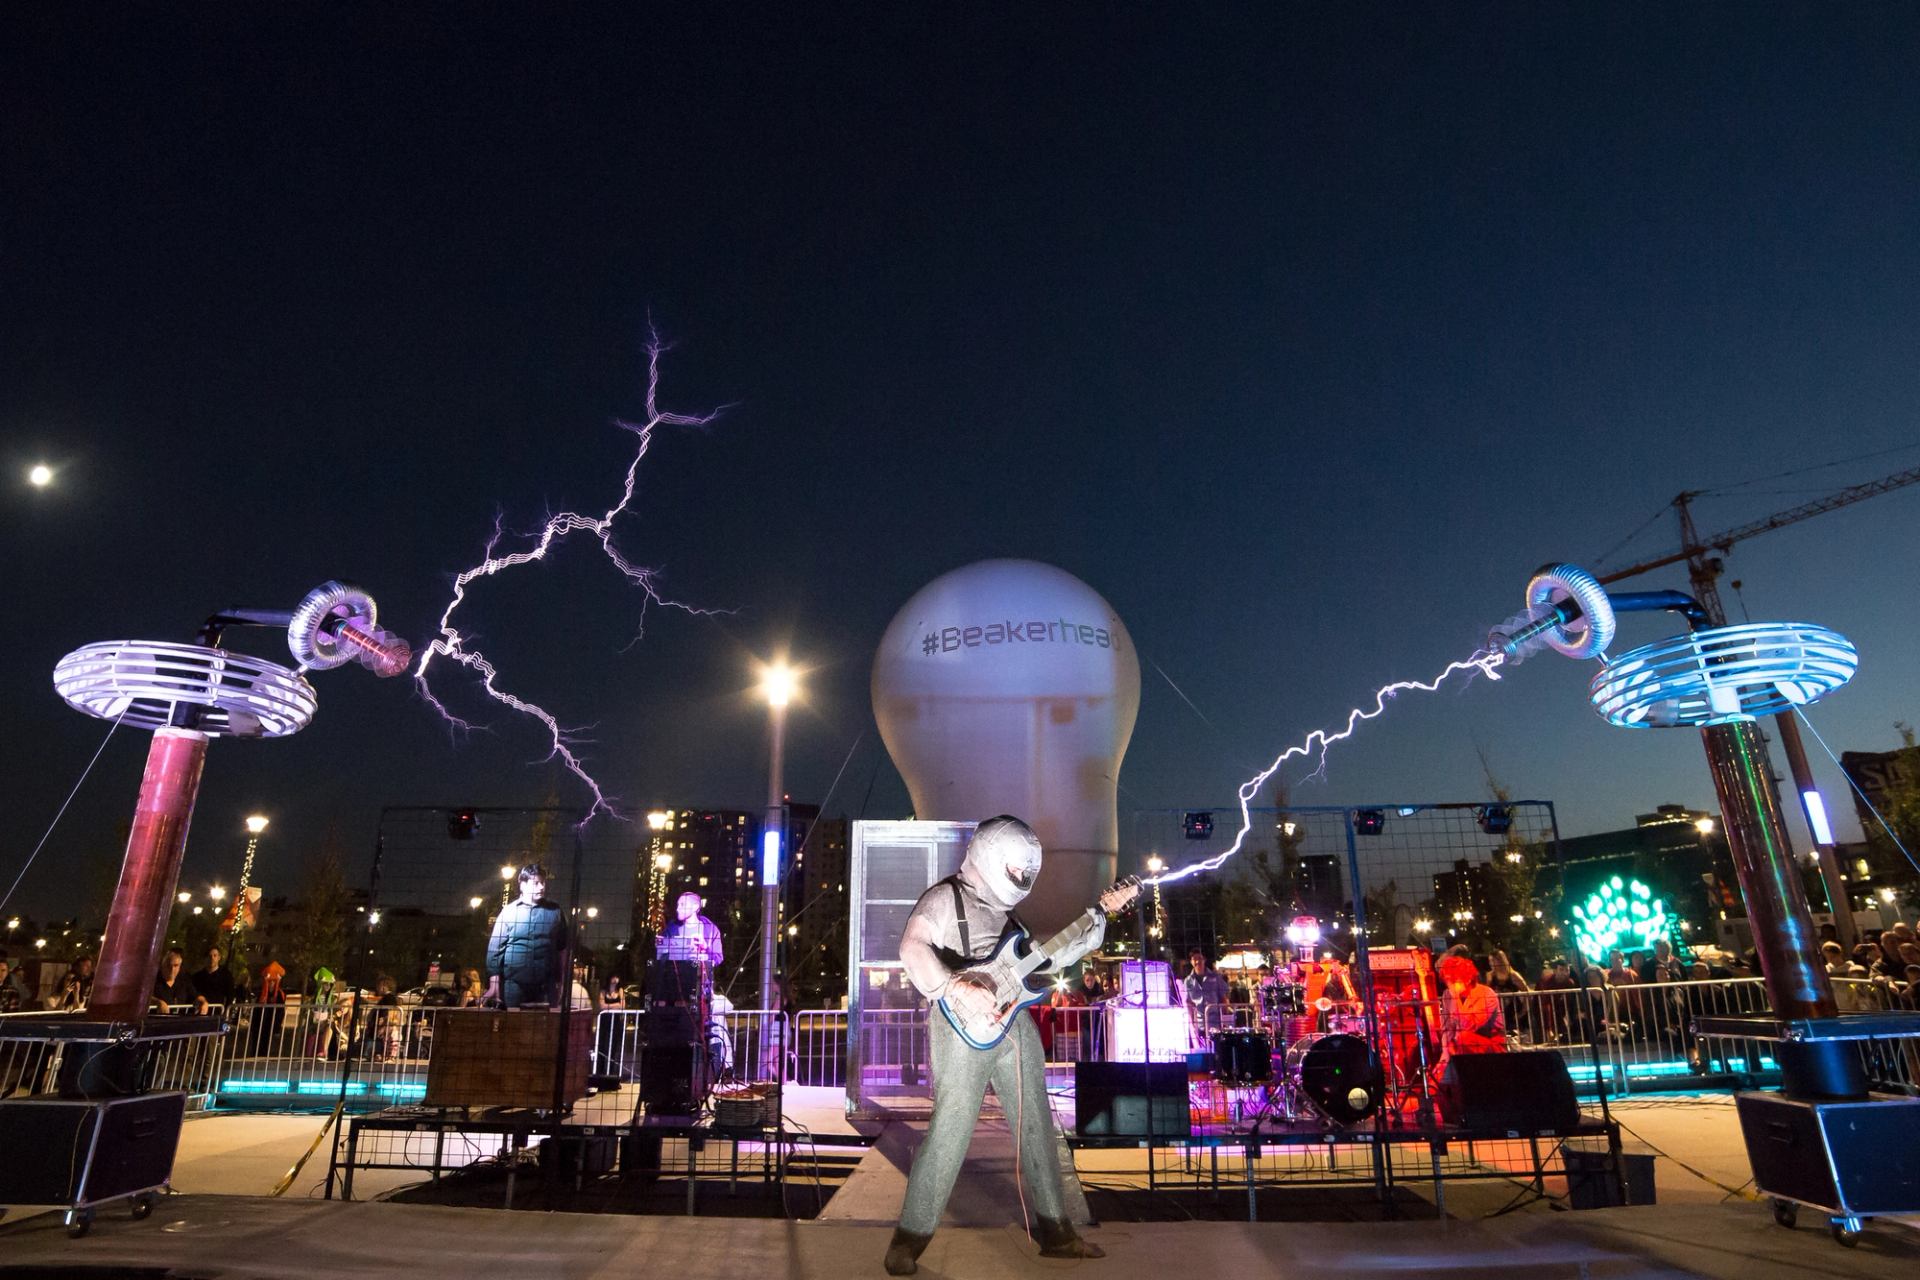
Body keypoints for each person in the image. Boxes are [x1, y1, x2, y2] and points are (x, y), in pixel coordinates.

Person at [885, 815, 1106, 1275]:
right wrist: (955, 987)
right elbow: (912, 947)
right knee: (950, 1131)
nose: (1021, 880)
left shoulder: (1007, 915)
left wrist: (1080, 944)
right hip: (961, 1027)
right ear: (989, 855)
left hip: (1013, 1023)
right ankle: (909, 1238)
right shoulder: (943, 898)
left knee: (1038, 1126)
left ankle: (1056, 1231)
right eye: (1017, 871)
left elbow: (1032, 970)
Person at [486, 862, 568, 1008]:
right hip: (514, 984)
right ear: (522, 885)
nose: (541, 887)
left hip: (546, 985)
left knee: (546, 1028)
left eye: (543, 882)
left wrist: (561, 980)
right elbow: (494, 949)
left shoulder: (556, 911)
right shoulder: (509, 912)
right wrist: (494, 984)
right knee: (513, 1026)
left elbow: (563, 948)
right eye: (536, 883)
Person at [1436, 952, 1506, 1076]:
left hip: (1490, 1047)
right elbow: (1447, 1029)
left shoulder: (1486, 994)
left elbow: (1469, 1025)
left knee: (1464, 1038)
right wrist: (1445, 1053)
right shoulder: (1447, 995)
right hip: (1460, 1046)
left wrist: (1456, 998)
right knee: (1440, 1072)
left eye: (1454, 980)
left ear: (1468, 979)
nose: (1450, 984)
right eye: (1448, 980)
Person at [656, 891, 723, 966]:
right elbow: (661, 959)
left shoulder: (711, 930)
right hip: (676, 977)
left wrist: (705, 949)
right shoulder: (670, 929)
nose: (678, 909)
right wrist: (661, 946)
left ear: (695, 907)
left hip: (699, 977)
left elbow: (718, 958)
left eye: (682, 905)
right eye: (678, 905)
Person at [1183, 950, 1230, 1041]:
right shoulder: (1188, 981)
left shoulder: (1215, 977)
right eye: (1194, 959)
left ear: (1204, 959)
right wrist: (1192, 1022)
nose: (1197, 961)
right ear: (1191, 962)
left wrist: (1224, 1017)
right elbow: (1189, 1002)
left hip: (1216, 1022)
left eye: (1200, 958)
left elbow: (1224, 998)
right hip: (1199, 1024)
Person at [153, 949, 207, 1013]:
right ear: (162, 965)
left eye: (176, 965)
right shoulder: (153, 980)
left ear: (179, 967)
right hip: (157, 1021)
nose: (172, 969)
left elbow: (195, 994)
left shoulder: (183, 980)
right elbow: (143, 998)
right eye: (168, 965)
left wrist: (204, 1002)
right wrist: (157, 1002)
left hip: (179, 1021)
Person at [196, 944, 237, 1009]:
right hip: (201, 1011)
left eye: (215, 955)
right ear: (206, 958)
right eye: (210, 956)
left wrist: (226, 1011)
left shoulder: (226, 975)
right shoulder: (198, 976)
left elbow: (230, 995)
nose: (212, 958)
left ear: (219, 957)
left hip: (217, 1012)